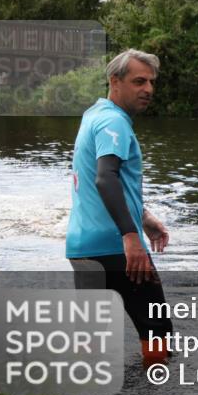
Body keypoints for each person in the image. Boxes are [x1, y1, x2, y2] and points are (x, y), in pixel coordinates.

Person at [66, 49, 173, 368]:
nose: (148, 90)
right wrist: (130, 235)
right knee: (157, 331)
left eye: (152, 82)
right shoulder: (115, 122)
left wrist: (143, 216)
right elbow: (105, 178)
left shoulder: (94, 115)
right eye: (139, 81)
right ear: (115, 81)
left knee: (92, 336)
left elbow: (96, 180)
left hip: (82, 248)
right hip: (115, 247)